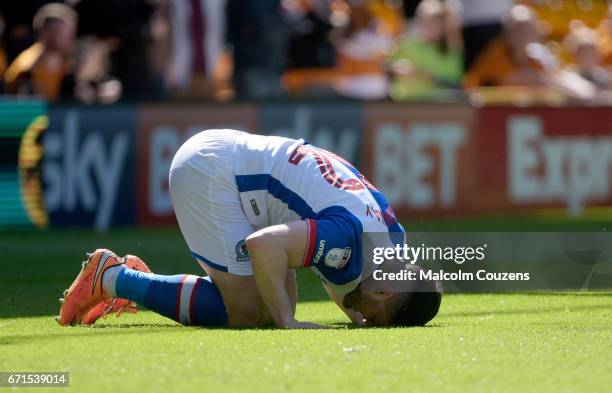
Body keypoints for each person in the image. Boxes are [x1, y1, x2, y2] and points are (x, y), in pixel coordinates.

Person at [58, 130, 442, 329]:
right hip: (212, 172)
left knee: (268, 303)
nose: (363, 321)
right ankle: (112, 278)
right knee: (250, 313)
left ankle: (143, 284)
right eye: (375, 318)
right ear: (386, 289)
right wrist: (287, 322)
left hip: (233, 163)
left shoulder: (391, 242)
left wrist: (347, 309)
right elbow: (263, 246)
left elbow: (345, 279)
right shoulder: (349, 239)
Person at [388, 0, 463, 100]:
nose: (430, 26)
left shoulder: (451, 51)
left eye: (435, 21)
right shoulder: (407, 44)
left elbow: (455, 83)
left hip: (437, 106)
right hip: (404, 103)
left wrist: (434, 79)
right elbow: (385, 63)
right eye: (425, 21)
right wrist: (397, 67)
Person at [4, 3, 76, 100]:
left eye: (71, 32)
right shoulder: (28, 66)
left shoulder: (71, 63)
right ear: (44, 32)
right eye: (62, 32)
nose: (69, 38)